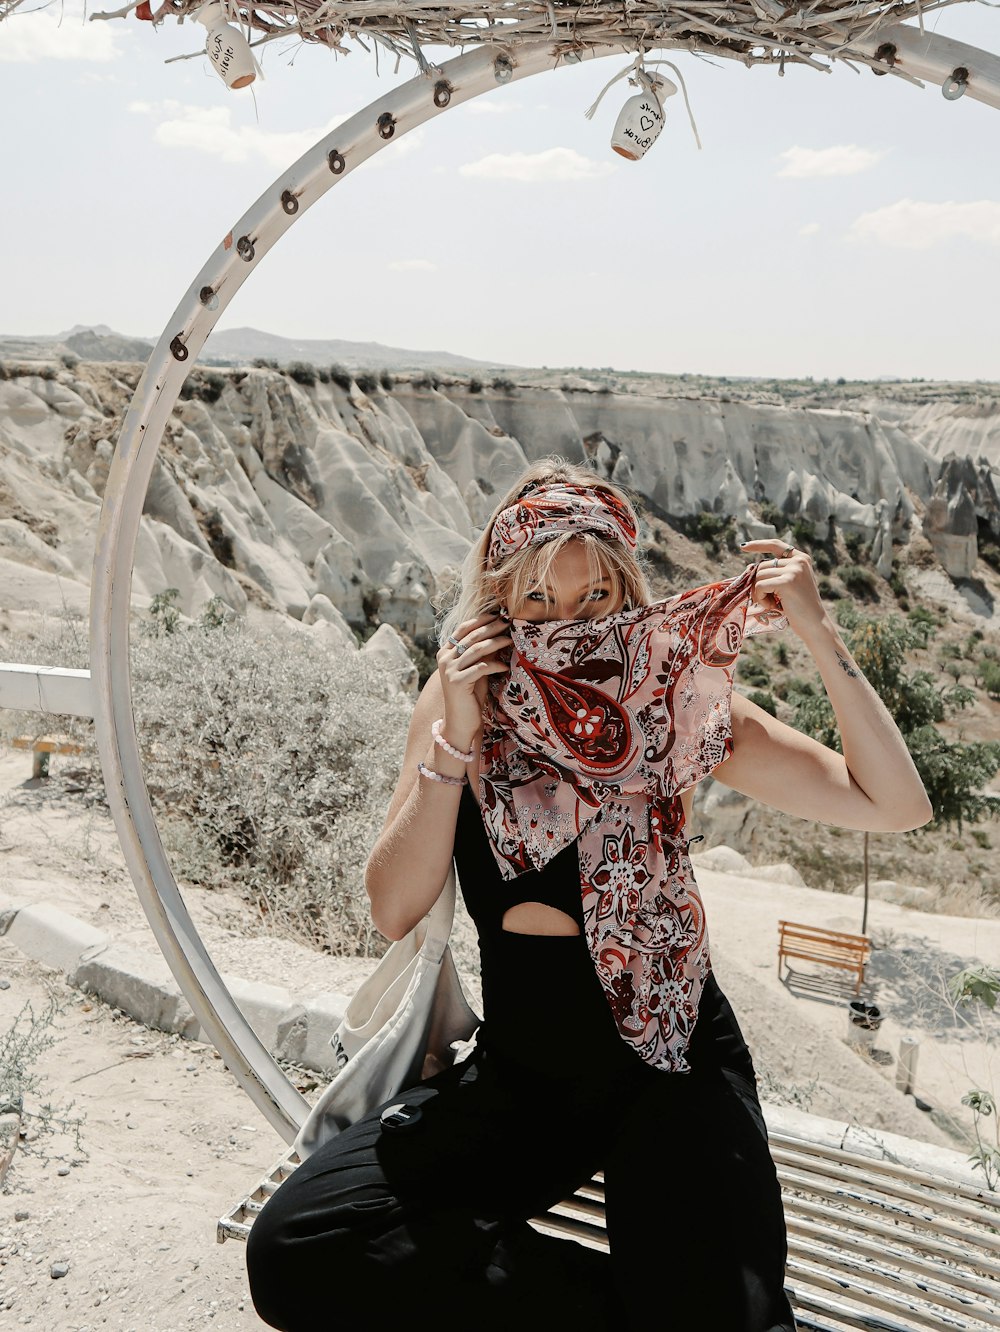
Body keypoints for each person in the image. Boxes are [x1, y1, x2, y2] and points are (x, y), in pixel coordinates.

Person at [246, 458, 932, 1332]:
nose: (564, 628)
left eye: (592, 601)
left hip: (673, 1063)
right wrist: (454, 743)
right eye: (536, 601)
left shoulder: (669, 700)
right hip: (526, 1076)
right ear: (499, 605)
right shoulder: (463, 700)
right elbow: (392, 906)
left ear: (626, 596)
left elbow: (895, 806)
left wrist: (820, 635)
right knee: (295, 1254)